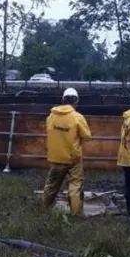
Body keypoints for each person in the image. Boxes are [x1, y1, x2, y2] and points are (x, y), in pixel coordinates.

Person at [42, 88, 92, 217]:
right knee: (75, 185)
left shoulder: (51, 116)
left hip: (55, 157)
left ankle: (44, 209)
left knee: (51, 184)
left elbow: (49, 131)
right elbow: (87, 136)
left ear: (63, 100)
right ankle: (76, 215)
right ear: (76, 101)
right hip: (73, 158)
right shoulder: (77, 117)